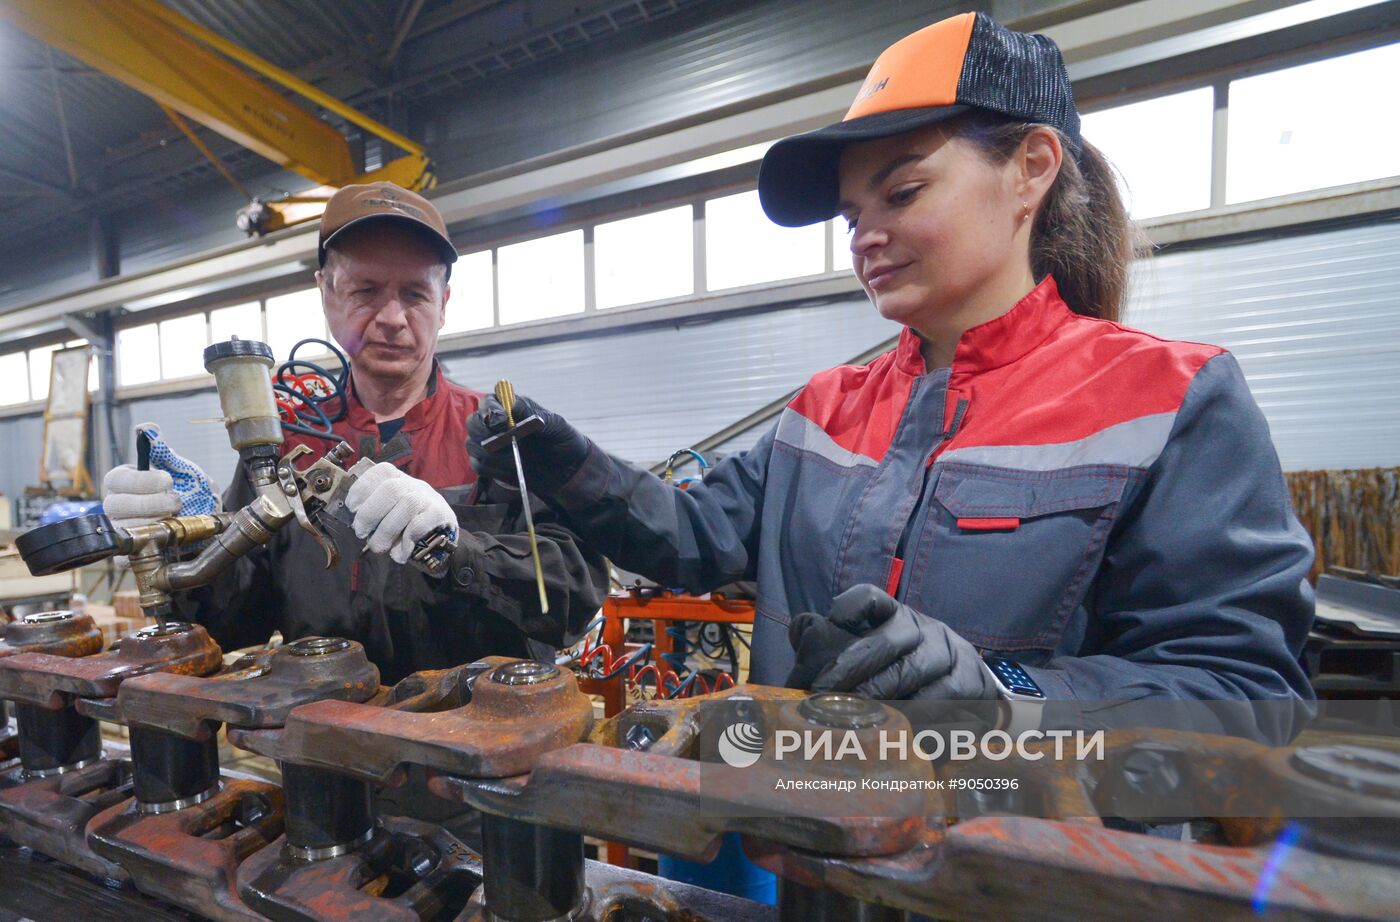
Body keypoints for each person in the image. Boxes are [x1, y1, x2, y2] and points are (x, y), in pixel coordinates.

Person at [466, 13, 1315, 744]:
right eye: (851, 215)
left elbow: (1245, 700)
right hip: (817, 857)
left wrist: (1006, 702)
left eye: (902, 192)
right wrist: (563, 461)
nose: (865, 235)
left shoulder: (1169, 402)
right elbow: (691, 538)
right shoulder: (823, 412)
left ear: (1032, 167)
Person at [103, 182, 606, 684]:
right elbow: (233, 622)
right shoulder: (284, 448)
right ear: (326, 293)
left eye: (415, 293)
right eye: (365, 290)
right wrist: (182, 541)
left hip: (476, 745)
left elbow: (572, 597)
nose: (391, 318)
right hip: (323, 742)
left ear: (444, 302)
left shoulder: (503, 438)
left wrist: (458, 550)